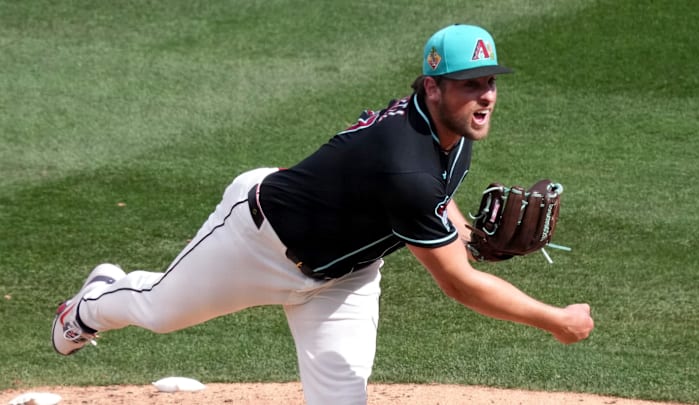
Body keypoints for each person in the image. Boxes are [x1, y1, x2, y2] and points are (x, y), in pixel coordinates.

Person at [52, 24, 594, 404]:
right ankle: (88, 305)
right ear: (433, 86)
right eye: (470, 84)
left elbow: (435, 198)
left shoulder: (452, 131)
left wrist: (468, 235)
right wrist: (556, 320)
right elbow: (458, 284)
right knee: (159, 311)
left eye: (491, 82)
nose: (486, 97)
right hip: (257, 244)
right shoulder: (402, 164)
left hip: (344, 278)